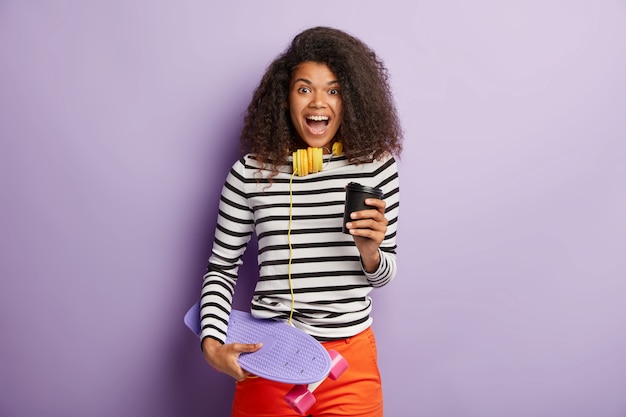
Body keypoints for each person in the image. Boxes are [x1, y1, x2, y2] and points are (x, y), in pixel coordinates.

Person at [199, 26, 403, 417]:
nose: (318, 102)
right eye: (304, 88)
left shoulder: (377, 169)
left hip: (348, 364)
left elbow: (385, 273)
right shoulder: (250, 174)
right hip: (269, 357)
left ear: (351, 99)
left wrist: (370, 252)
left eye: (334, 90)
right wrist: (211, 343)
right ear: (285, 97)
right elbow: (221, 269)